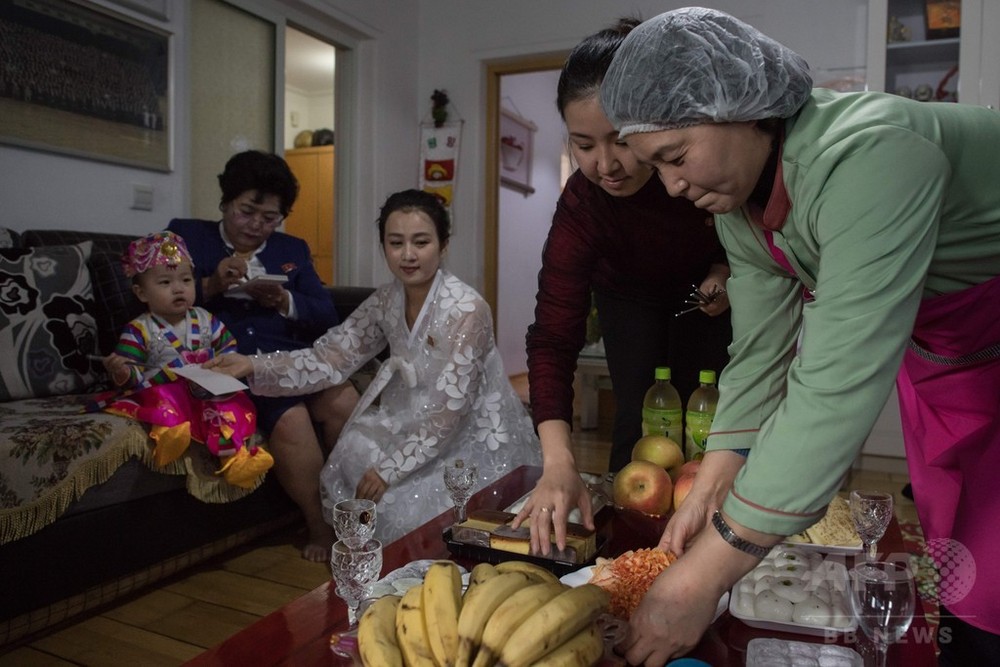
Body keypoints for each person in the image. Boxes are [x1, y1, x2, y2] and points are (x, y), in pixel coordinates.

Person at [598, 7, 1000, 666]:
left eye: (675, 157)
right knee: (958, 556)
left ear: (742, 107)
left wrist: (704, 574)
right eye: (657, 167)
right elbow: (759, 353)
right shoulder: (742, 207)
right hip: (948, 355)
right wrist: (709, 486)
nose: (672, 186)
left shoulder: (872, 154)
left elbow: (830, 390)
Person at [206, 189, 542, 543]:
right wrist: (252, 365)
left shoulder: (467, 309)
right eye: (396, 243)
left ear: (443, 246)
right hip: (408, 416)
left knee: (417, 512)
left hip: (464, 432)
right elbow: (331, 356)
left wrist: (389, 469)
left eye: (421, 242)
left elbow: (450, 412)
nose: (408, 255)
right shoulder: (385, 300)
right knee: (351, 451)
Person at [514, 18, 731, 554]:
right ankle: (628, 549)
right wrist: (558, 462)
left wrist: (728, 274)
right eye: (584, 145)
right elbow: (553, 335)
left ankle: (711, 537)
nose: (605, 165)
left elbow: (750, 235)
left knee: (709, 410)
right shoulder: (582, 206)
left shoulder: (693, 166)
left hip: (706, 293)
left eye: (621, 141)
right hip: (627, 295)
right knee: (637, 410)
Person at [168, 150, 360, 561]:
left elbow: (325, 313)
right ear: (225, 202)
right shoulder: (186, 237)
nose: (256, 225)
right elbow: (161, 301)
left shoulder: (291, 248)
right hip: (229, 364)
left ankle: (357, 513)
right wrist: (212, 285)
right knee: (290, 418)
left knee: (345, 399)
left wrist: (285, 299)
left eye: (269, 217)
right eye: (246, 211)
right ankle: (318, 525)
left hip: (291, 359)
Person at [98, 231, 271, 489]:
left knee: (229, 408)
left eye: (186, 280)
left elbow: (228, 347)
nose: (179, 288)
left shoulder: (205, 318)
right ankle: (169, 434)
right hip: (166, 389)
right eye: (165, 283)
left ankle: (236, 462)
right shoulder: (139, 329)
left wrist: (224, 365)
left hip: (205, 388)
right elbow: (131, 375)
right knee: (163, 399)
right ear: (141, 293)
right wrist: (121, 370)